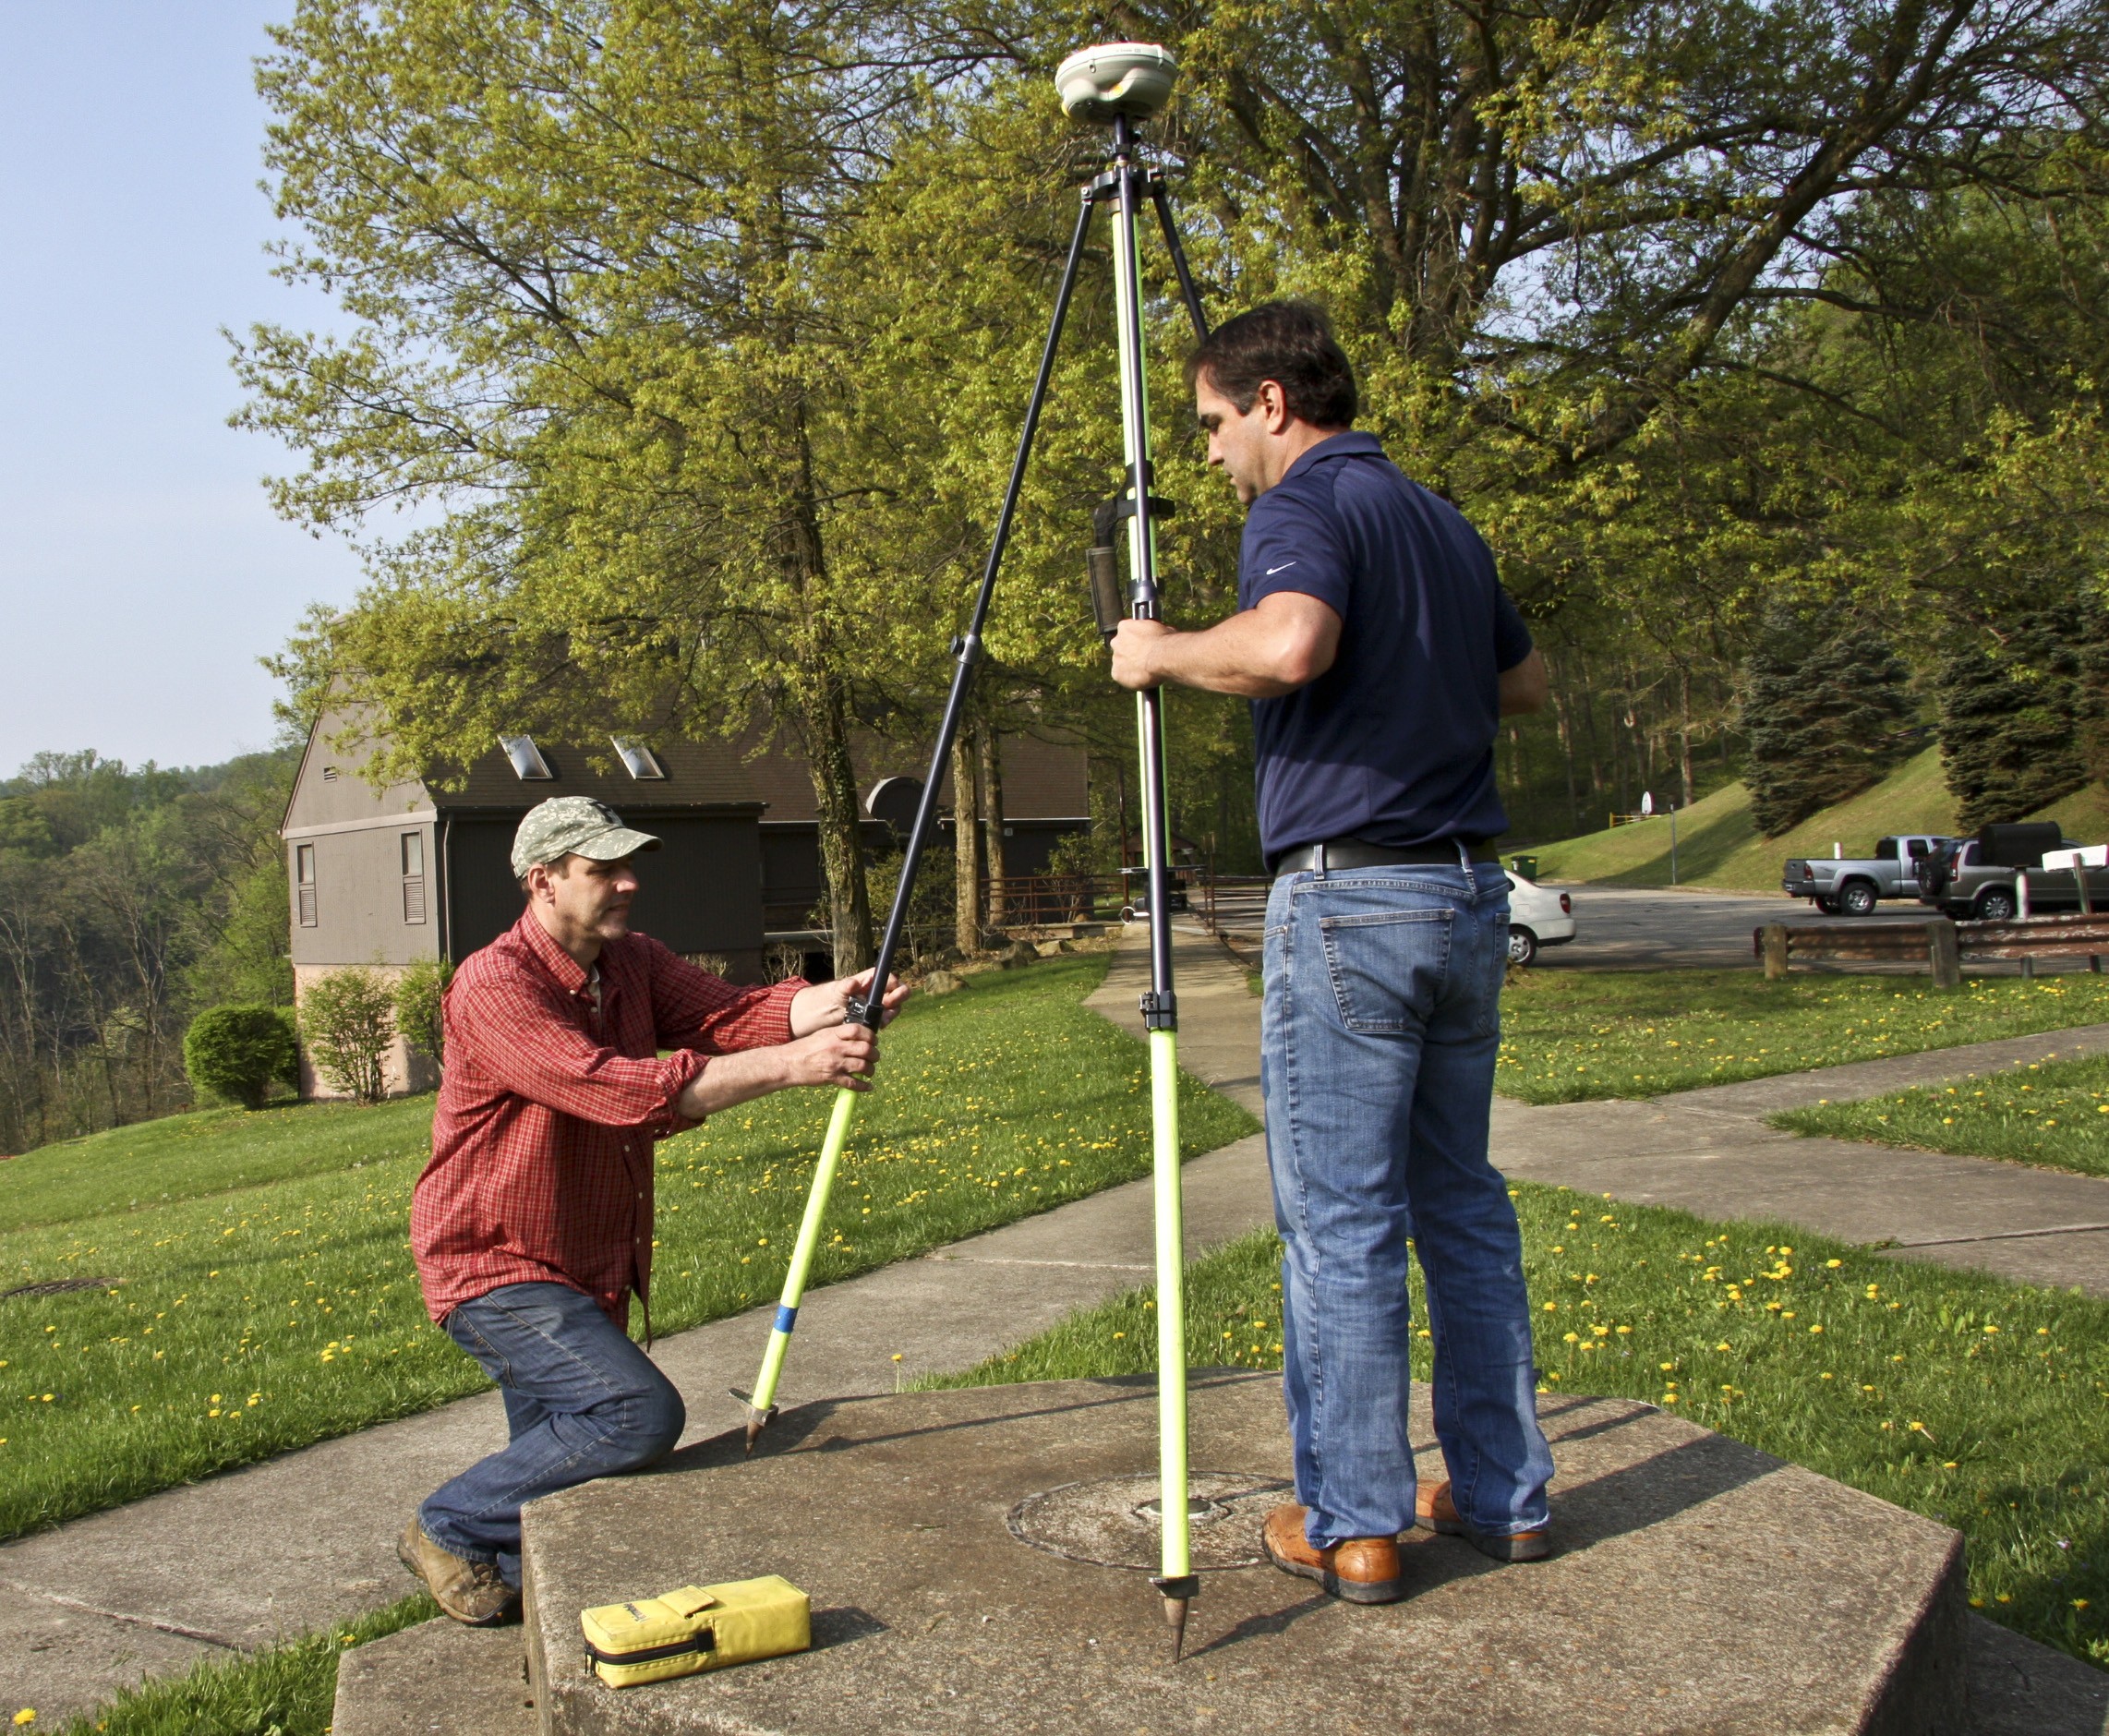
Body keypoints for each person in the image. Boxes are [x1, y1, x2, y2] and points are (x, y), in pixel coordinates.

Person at [1110, 301, 1554, 1605]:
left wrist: (1163, 654)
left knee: (1344, 1223)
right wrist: (1422, 696)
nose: (1207, 456)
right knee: (1461, 1203)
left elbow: (1290, 644)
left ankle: (1355, 1518)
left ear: (1269, 404)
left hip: (1353, 898)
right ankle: (1502, 1494)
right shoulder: (1440, 519)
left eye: (1208, 424)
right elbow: (1526, 685)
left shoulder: (1300, 507)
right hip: (1471, 896)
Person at [397, 795, 906, 1624]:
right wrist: (796, 1067)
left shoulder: (629, 961)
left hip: (586, 1262)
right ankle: (446, 1525)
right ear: (543, 882)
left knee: (560, 1492)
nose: (629, 884)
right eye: (603, 871)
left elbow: (732, 1015)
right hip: (495, 1263)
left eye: (630, 865)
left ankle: (532, 1618)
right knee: (633, 1414)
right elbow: (613, 1089)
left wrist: (842, 998)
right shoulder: (494, 986)